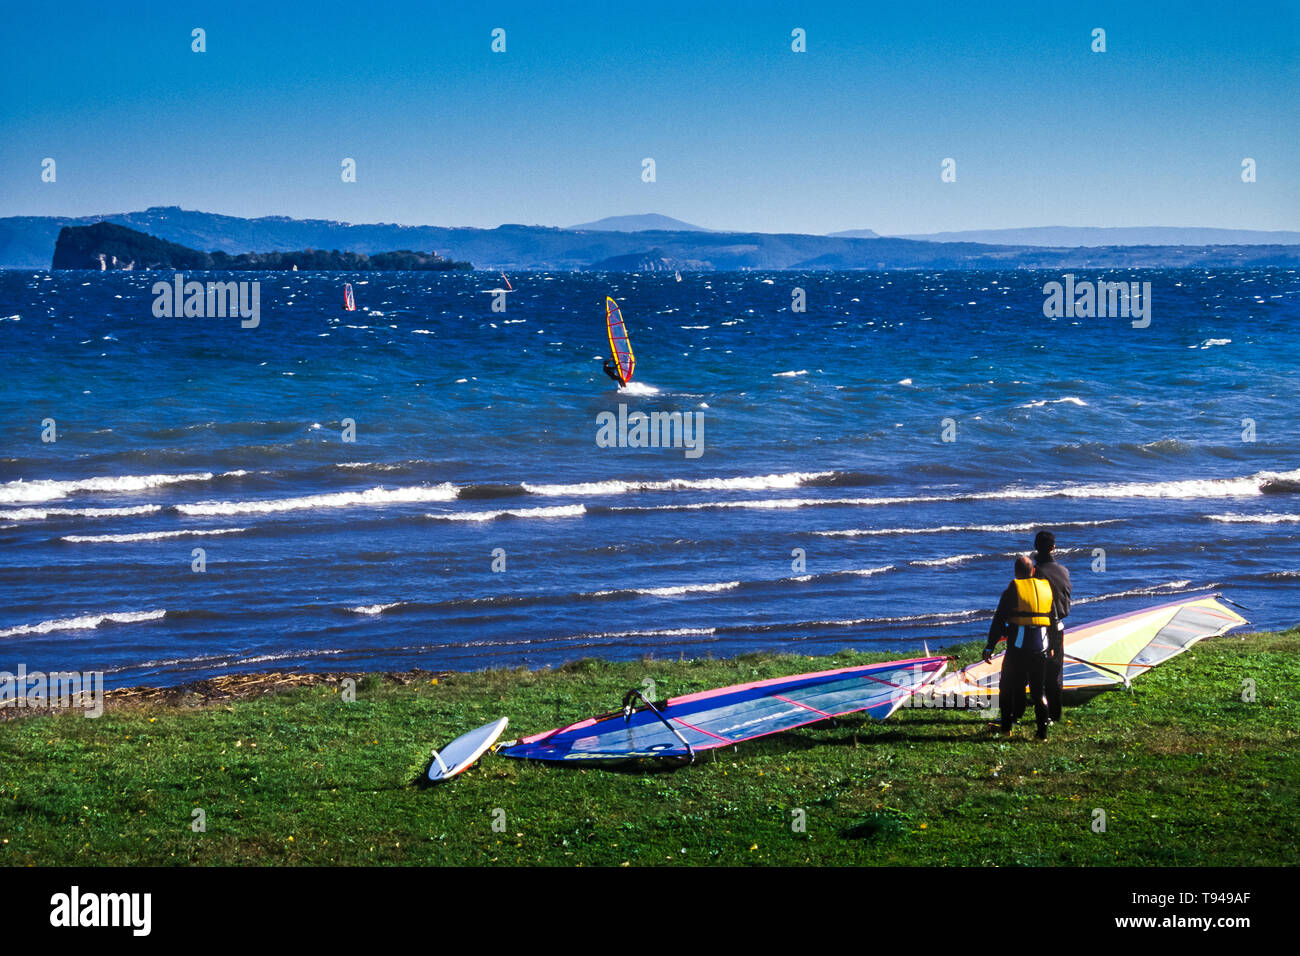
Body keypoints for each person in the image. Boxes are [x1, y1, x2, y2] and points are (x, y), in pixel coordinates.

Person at [982, 554, 1057, 740]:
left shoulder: (1012, 589)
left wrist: (990, 646)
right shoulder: (1046, 588)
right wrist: (1053, 646)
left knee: (1007, 687)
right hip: (1042, 648)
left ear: (1015, 572)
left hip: (1018, 649)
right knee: (1039, 691)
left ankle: (1006, 727)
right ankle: (1042, 733)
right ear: (1032, 571)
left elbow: (999, 620)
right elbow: (1053, 620)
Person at [1032, 530, 1072, 722]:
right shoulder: (1064, 571)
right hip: (1059, 626)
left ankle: (1043, 714)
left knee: (1038, 672)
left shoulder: (1036, 572)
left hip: (1040, 626)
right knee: (1055, 672)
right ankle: (1055, 713)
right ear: (1054, 548)